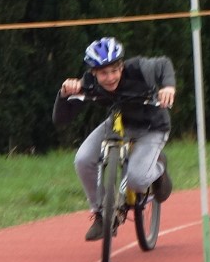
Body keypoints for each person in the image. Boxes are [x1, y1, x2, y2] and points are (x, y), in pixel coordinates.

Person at [52, 37, 175, 241]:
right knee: (83, 160)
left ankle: (158, 169)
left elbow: (163, 64)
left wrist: (168, 87)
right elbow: (61, 119)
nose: (110, 78)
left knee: (137, 179)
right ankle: (102, 214)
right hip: (118, 124)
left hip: (152, 127)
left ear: (122, 66)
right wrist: (64, 93)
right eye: (103, 73)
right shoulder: (89, 82)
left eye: (114, 70)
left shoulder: (138, 69)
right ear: (93, 73)